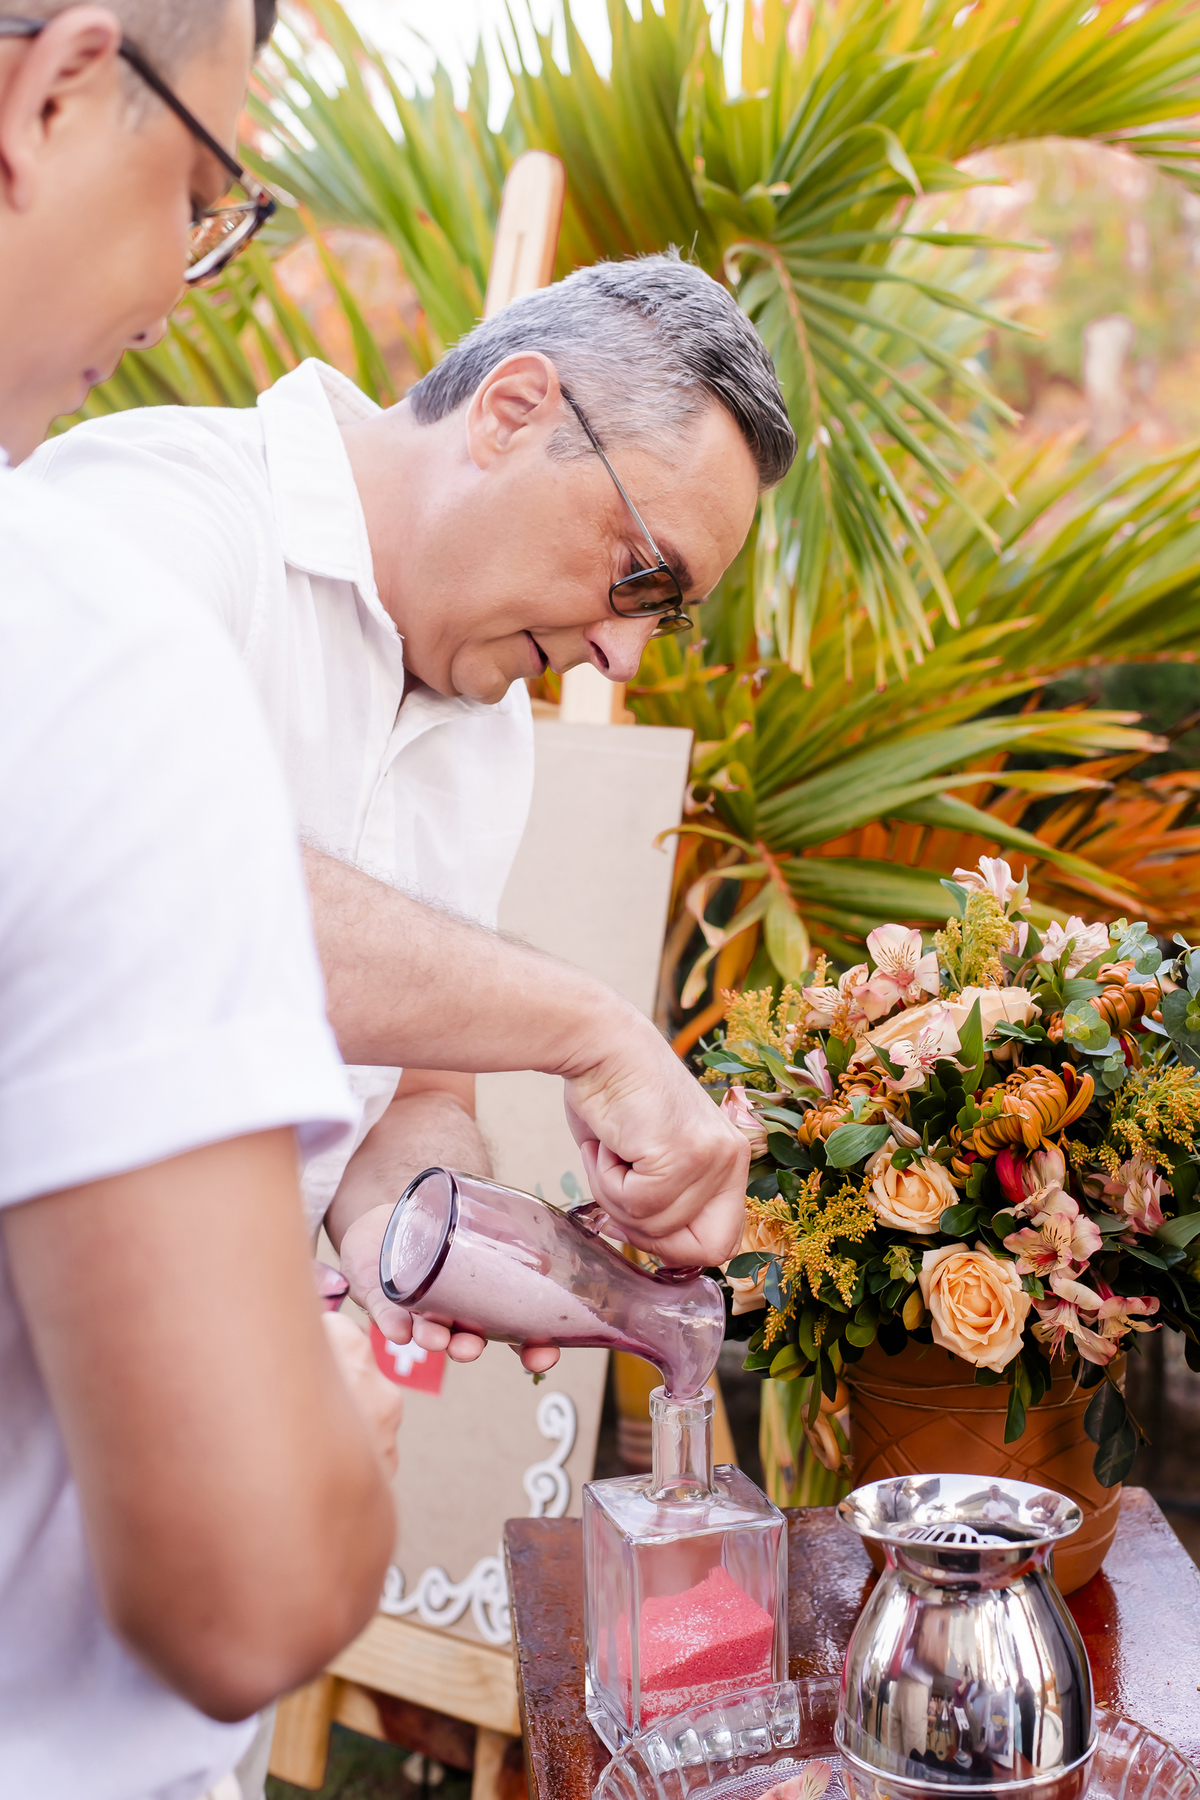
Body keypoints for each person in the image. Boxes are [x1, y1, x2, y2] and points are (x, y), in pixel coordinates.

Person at [28, 256, 798, 1357]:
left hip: (181, 1380)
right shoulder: (159, 510)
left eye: (665, 619)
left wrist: (441, 1233)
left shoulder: (489, 731)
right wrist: (593, 1032)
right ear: (512, 411)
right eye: (640, 575)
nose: (622, 655)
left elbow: (413, 1089)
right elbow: (148, 881)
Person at [0, 3, 405, 1796]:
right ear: (57, 88)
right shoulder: (88, 646)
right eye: (201, 193)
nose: (183, 289)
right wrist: (342, 1431)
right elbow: (242, 1595)